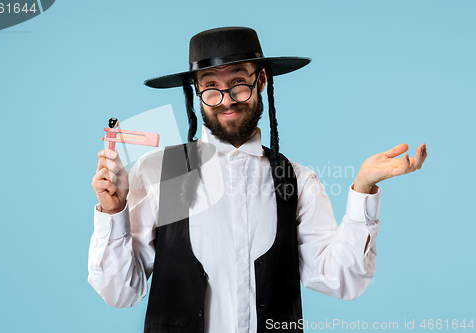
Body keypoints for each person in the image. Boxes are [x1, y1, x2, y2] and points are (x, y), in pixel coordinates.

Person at [89, 27, 427, 333]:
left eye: (238, 82)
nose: (226, 100)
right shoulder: (164, 172)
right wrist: (113, 213)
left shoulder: (295, 179)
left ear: (261, 81)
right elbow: (120, 293)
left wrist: (363, 190)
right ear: (196, 91)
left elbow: (343, 280)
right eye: (210, 87)